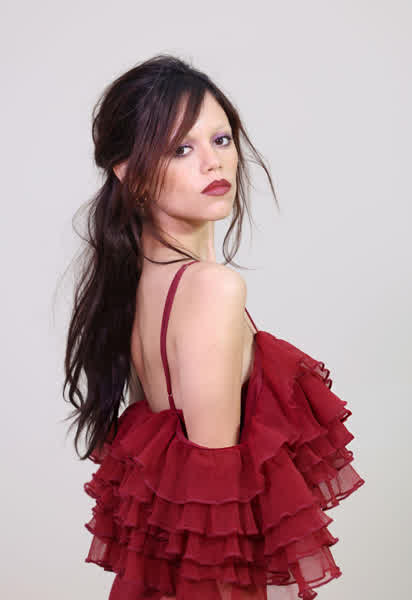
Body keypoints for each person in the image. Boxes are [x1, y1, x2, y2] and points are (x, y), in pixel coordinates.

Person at [63, 54, 365, 600]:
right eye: (181, 149)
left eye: (221, 140)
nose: (213, 163)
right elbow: (213, 515)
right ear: (129, 173)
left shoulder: (142, 282)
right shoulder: (210, 290)